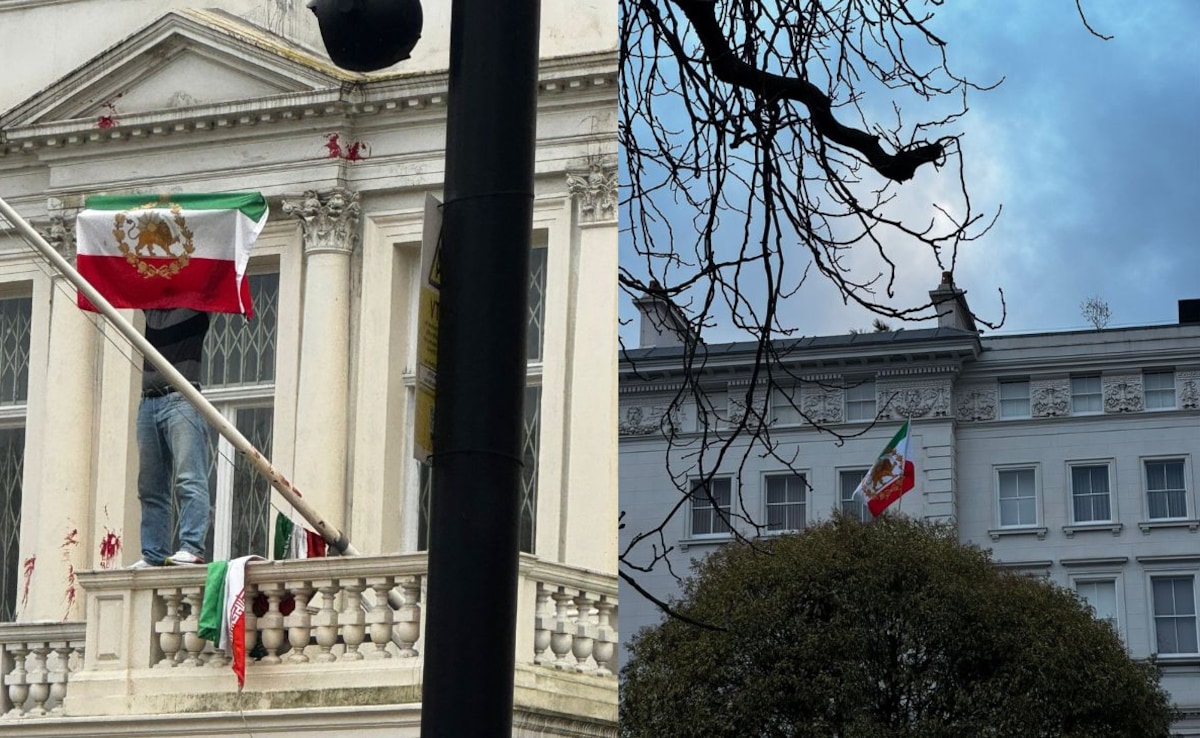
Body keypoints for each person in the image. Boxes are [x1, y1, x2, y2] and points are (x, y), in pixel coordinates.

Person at [129, 308, 212, 568]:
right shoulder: (151, 308)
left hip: (182, 397)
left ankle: (191, 547)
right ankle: (153, 554)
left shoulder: (195, 304)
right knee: (150, 486)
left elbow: (214, 282)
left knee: (189, 478)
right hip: (148, 401)